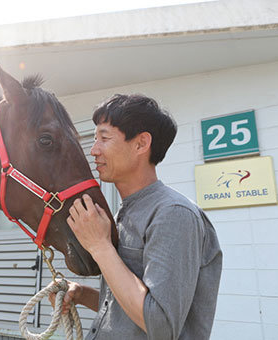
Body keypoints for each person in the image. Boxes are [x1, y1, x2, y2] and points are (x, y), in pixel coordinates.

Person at [51, 94, 222, 339]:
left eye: (104, 138)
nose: (93, 150)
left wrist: (100, 246)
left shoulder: (173, 214)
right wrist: (81, 294)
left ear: (141, 144)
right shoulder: (126, 212)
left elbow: (160, 325)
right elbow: (128, 307)